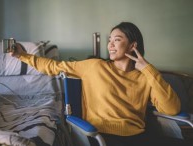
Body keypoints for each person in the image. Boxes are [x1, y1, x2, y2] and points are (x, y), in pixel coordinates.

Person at [10, 22, 191, 146]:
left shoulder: (145, 77)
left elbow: (172, 109)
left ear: (132, 46)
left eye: (117, 40)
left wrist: (148, 69)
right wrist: (21, 55)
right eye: (109, 40)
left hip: (139, 136)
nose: (110, 45)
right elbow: (53, 66)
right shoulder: (95, 66)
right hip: (104, 136)